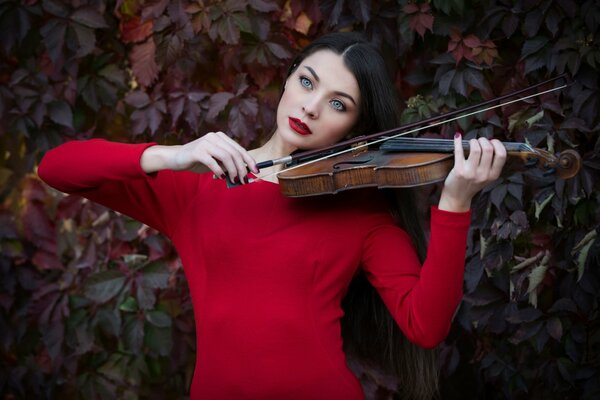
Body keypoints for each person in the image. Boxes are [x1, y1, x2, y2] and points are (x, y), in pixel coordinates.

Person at [38, 32, 506, 399]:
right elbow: (57, 168)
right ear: (287, 79)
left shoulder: (360, 209)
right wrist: (173, 155)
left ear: (356, 127)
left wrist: (456, 202)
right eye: (307, 82)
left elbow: (425, 326)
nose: (311, 106)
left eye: (337, 104)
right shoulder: (199, 185)